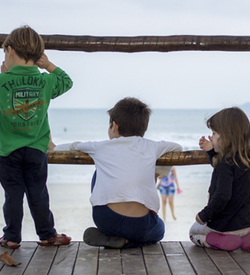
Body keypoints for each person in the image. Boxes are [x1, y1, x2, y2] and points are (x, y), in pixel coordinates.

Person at [0, 25, 73, 249]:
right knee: (38, 193)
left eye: (5, 53)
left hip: (7, 150)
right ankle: (47, 234)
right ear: (37, 55)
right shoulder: (45, 81)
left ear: (10, 51)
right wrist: (48, 65)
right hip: (35, 149)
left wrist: (3, 75)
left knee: (12, 194)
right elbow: (67, 81)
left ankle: (12, 236)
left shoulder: (1, 81)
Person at [53, 97, 182, 248]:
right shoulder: (153, 147)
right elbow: (177, 147)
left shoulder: (100, 147)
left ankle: (115, 238)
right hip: (140, 225)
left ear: (114, 126)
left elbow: (71, 147)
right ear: (144, 128)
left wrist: (52, 147)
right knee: (160, 230)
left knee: (99, 173)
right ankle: (129, 243)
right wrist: (156, 173)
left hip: (106, 219)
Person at [189, 107, 250, 251]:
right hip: (246, 225)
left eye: (214, 133)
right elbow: (218, 165)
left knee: (193, 232)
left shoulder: (224, 164)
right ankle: (246, 240)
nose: (211, 137)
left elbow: (222, 196)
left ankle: (217, 240)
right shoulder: (245, 160)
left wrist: (204, 215)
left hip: (223, 227)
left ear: (226, 137)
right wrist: (211, 151)